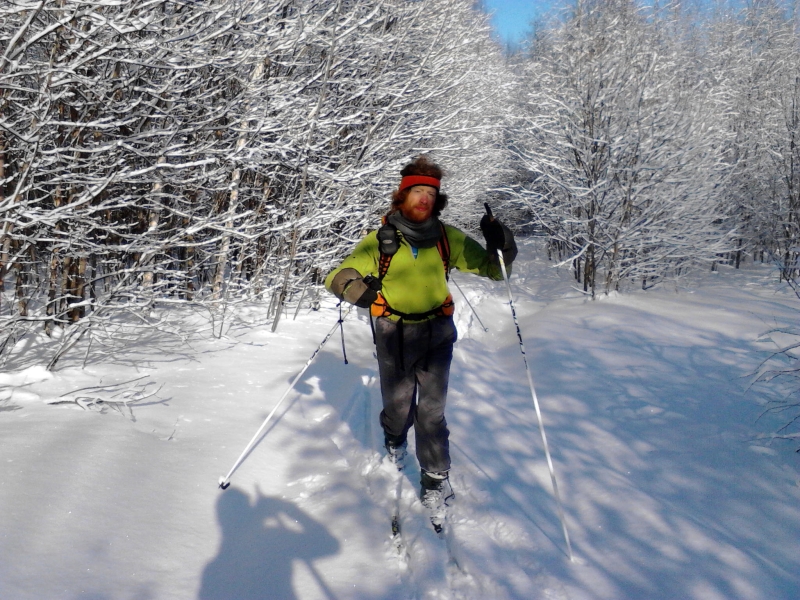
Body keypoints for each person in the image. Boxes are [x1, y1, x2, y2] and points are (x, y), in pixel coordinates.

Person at [324, 156, 516, 513]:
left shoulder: (447, 238)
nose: (425, 198)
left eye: (431, 193)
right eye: (417, 191)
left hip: (437, 331)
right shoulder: (380, 240)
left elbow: (494, 270)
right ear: (402, 195)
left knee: (431, 411)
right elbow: (339, 274)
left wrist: (501, 243)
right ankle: (394, 436)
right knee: (398, 407)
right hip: (392, 331)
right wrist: (353, 289)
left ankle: (434, 478)